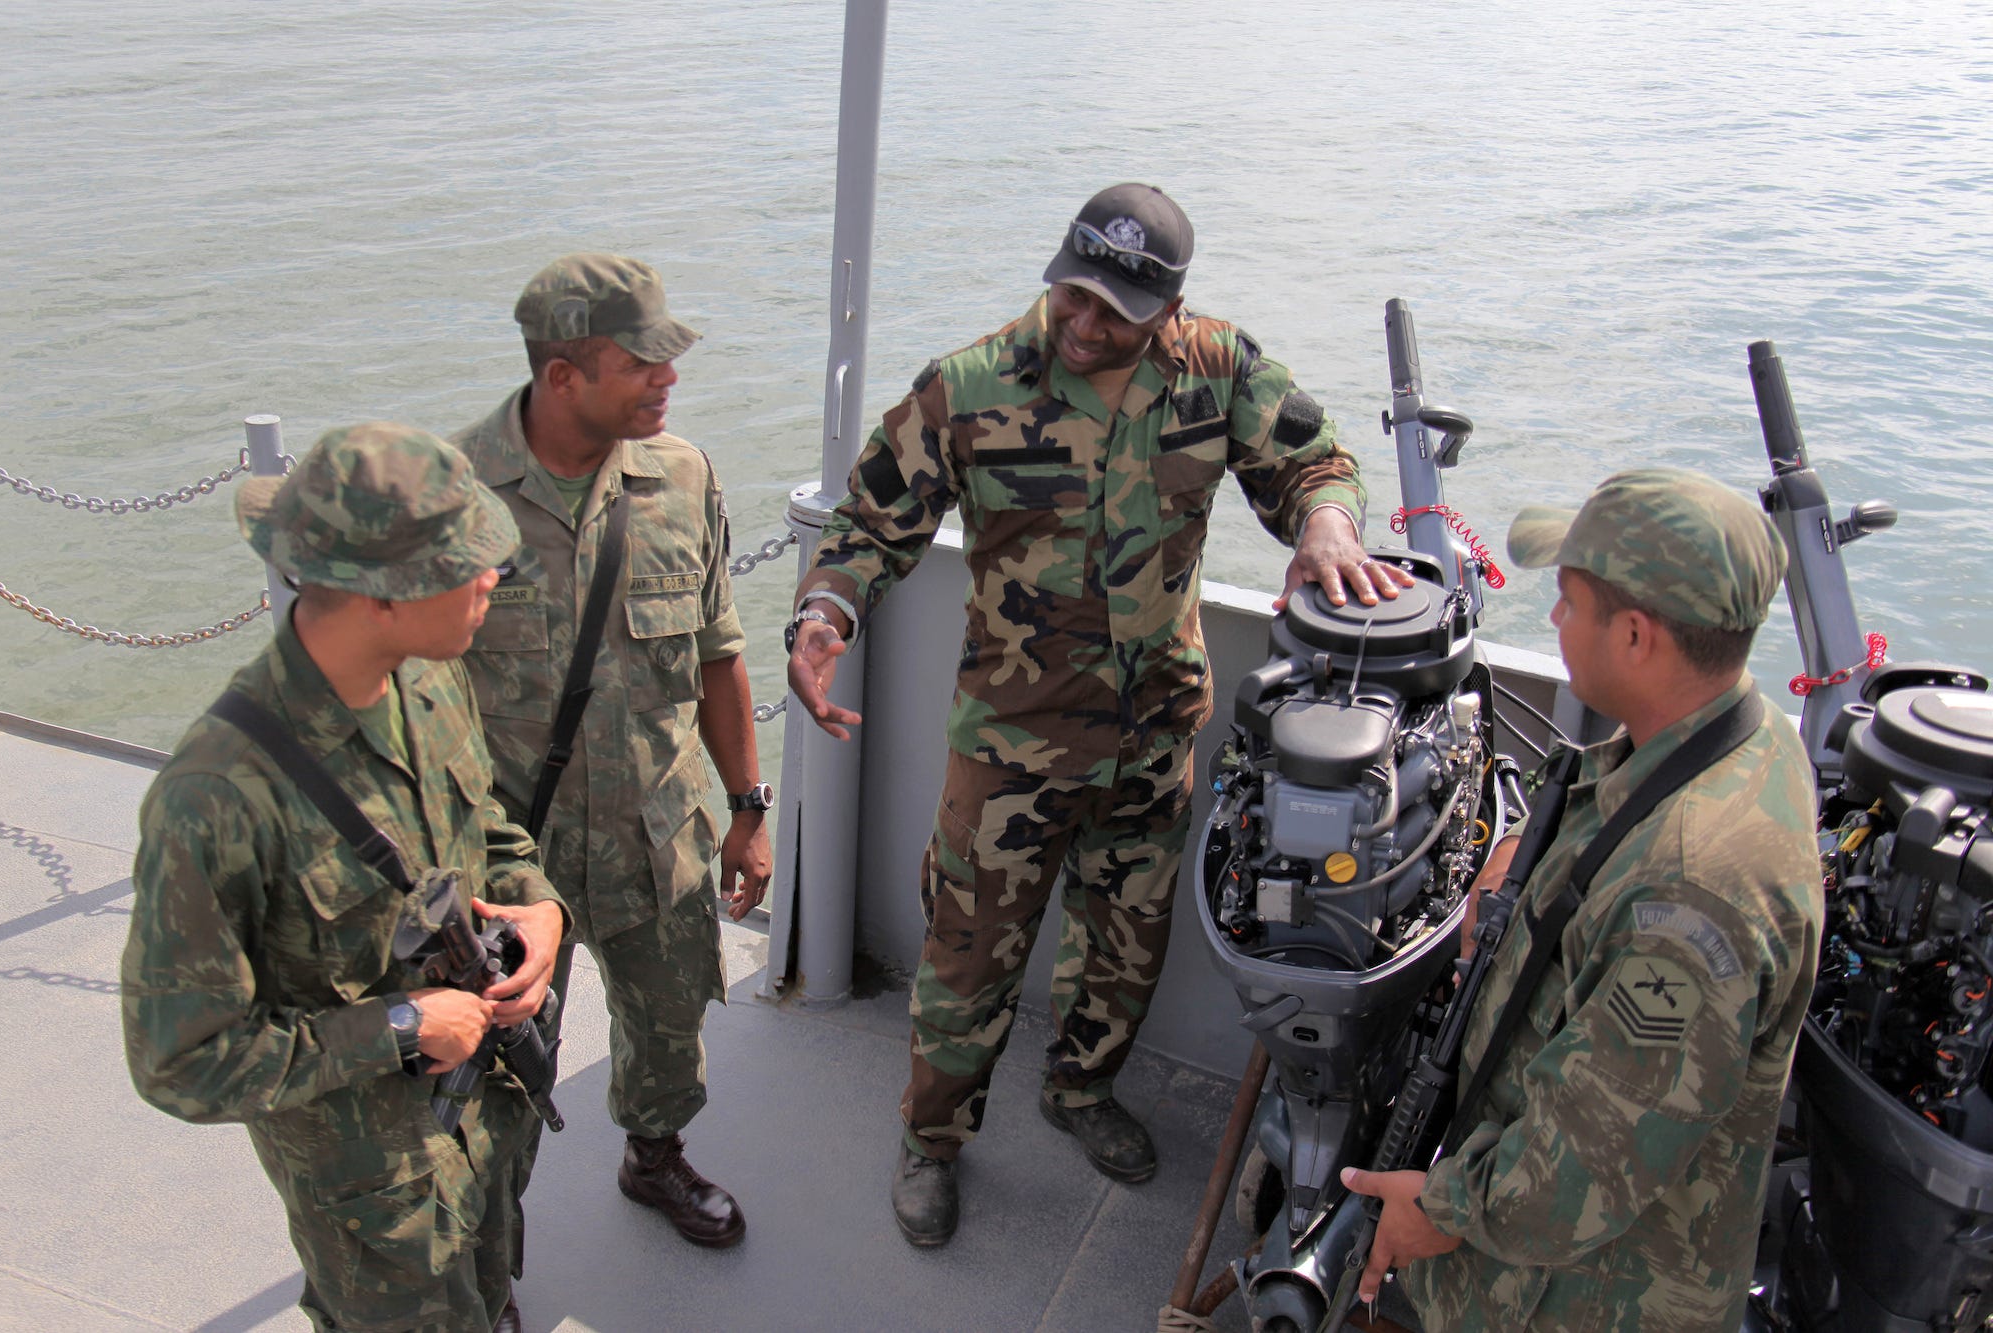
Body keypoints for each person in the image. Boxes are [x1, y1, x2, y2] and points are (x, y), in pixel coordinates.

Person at [786, 182, 1411, 1247]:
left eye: (1111, 314)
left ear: (1167, 308)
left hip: (1155, 736)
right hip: (1011, 747)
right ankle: (930, 1141)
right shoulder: (968, 386)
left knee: (1122, 941)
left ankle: (1078, 1091)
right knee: (968, 953)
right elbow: (866, 522)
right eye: (1068, 297)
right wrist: (826, 607)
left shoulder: (1218, 369)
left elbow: (1312, 458)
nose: (1080, 327)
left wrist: (1327, 523)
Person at [1340, 468, 1824, 1331]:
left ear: (1637, 636)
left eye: (1567, 602)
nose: (1555, 622)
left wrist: (1437, 1208)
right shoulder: (1741, 742)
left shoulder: (1694, 890)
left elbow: (1582, 1171)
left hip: (1579, 1293)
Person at [122, 423, 568, 1333]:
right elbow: (180, 1060)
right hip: (371, 1189)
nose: (493, 577)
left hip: (487, 1112)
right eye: (466, 564)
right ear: (383, 596)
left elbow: (488, 830)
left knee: (491, 1287)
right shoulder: (217, 798)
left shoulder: (430, 680)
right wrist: (399, 1026)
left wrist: (542, 909)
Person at [453, 252, 771, 1249]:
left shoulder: (682, 477)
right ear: (562, 376)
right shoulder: (458, 500)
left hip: (656, 836)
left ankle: (654, 1156)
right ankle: (490, 1261)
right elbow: (411, 695)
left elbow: (718, 652)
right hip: (513, 856)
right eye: (640, 363)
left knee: (670, 1027)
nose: (665, 379)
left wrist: (748, 811)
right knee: (496, 1075)